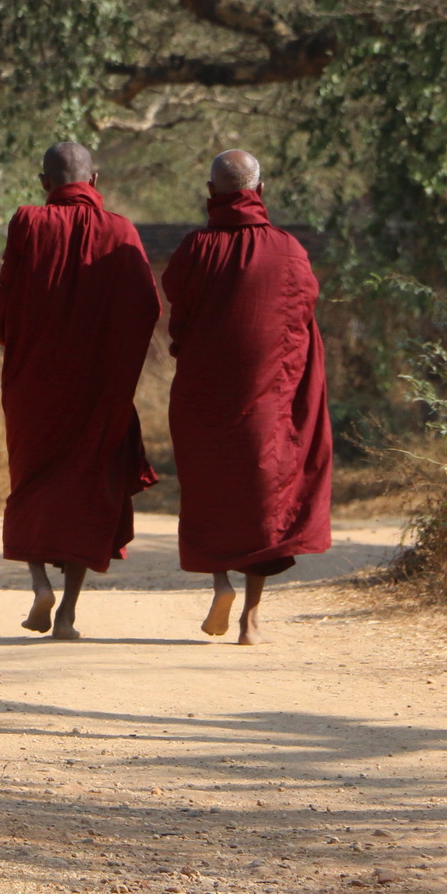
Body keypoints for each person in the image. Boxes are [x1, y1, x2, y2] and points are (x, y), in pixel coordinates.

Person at [162, 149, 332, 645]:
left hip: (203, 394)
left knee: (211, 489)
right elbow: (302, 317)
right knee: (263, 496)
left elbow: (180, 318)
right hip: (269, 398)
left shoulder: (194, 249)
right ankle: (251, 621)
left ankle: (220, 582)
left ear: (211, 194)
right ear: (259, 191)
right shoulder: (288, 250)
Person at [0, 141, 161, 639]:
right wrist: (116, 370)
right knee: (88, 487)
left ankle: (40, 582)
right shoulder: (122, 232)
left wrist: (16, 341)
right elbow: (146, 308)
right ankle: (66, 613)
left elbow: (7, 299)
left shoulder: (27, 222)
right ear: (95, 179)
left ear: (45, 182)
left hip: (34, 386)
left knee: (33, 481)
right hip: (98, 390)